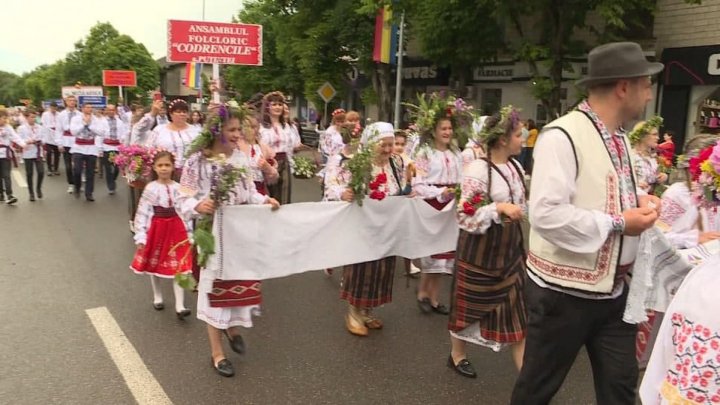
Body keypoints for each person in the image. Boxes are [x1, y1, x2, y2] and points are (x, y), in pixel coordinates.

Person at [511, 42, 663, 405]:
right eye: (645, 83)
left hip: (614, 294)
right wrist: (617, 222)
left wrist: (637, 203)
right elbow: (546, 214)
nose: (649, 92)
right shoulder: (561, 135)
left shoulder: (620, 137)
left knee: (621, 391)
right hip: (563, 294)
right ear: (623, 87)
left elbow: (601, 193)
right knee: (536, 390)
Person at [178, 104, 280, 378]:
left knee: (236, 285)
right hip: (212, 235)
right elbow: (183, 196)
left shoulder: (240, 158)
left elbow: (248, 193)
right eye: (232, 129)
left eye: (239, 129)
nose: (237, 134)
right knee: (214, 288)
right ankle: (217, 353)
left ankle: (231, 327)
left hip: (239, 234)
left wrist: (264, 199)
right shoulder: (197, 161)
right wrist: (199, 204)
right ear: (216, 130)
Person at [448, 106, 528, 378]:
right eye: (518, 134)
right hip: (480, 252)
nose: (523, 138)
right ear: (503, 139)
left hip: (510, 251)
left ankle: (529, 382)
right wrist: (498, 208)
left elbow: (523, 204)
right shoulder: (478, 170)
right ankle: (457, 355)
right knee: (465, 308)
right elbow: (464, 216)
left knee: (519, 313)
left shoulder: (516, 166)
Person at [323, 122, 406, 336]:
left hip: (386, 227)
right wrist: (343, 192)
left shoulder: (396, 163)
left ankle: (368, 310)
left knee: (381, 270)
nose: (388, 150)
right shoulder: (356, 163)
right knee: (361, 269)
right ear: (370, 144)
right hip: (361, 226)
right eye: (383, 145)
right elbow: (332, 184)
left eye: (391, 145)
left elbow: (400, 188)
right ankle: (353, 312)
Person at [410, 99, 463, 315]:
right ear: (434, 130)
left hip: (450, 206)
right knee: (431, 251)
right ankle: (423, 293)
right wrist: (440, 193)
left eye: (450, 128)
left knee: (445, 253)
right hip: (432, 205)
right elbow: (417, 183)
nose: (447, 132)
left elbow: (462, 177)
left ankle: (434, 297)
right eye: (443, 128)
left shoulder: (455, 153)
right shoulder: (424, 153)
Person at [131, 150, 193, 318]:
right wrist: (141, 235)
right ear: (154, 168)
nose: (164, 168)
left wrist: (190, 233)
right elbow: (142, 212)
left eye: (167, 165)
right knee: (154, 262)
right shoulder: (151, 188)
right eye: (160, 165)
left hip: (176, 228)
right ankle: (157, 295)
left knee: (179, 265)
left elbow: (185, 210)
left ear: (173, 167)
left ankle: (180, 305)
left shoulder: (180, 187)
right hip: (157, 228)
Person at [259, 91, 304, 204]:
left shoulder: (287, 127)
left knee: (284, 195)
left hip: (284, 162)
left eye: (280, 104)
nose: (277, 107)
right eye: (274, 104)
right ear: (267, 107)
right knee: (270, 195)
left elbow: (293, 146)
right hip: (268, 163)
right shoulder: (262, 127)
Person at [146, 99, 200, 178]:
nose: (182, 114)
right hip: (165, 173)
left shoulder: (195, 131)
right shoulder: (159, 129)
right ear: (171, 114)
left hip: (190, 174)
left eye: (184, 112)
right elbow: (149, 149)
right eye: (178, 112)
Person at [69, 103, 108, 202]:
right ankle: (77, 187)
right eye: (87, 107)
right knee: (77, 170)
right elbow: (73, 132)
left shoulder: (96, 119)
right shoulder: (76, 119)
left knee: (90, 172)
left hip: (91, 147)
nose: (89, 109)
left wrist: (90, 125)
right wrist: (84, 124)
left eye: (91, 107)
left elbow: (101, 132)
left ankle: (89, 193)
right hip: (78, 147)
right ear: (82, 108)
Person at [235, 114, 278, 195]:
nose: (249, 130)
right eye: (246, 126)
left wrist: (268, 168)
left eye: (253, 126)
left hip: (260, 192)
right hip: (240, 193)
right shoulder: (235, 146)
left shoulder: (263, 148)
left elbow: (273, 180)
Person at [630, 116, 667, 194]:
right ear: (643, 136)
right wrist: (634, 184)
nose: (658, 138)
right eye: (654, 134)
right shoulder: (631, 156)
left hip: (650, 198)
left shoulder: (653, 157)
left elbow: (654, 177)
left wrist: (662, 177)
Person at [17, 108, 45, 201]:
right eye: (31, 117)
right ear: (26, 118)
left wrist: (41, 141)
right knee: (29, 173)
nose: (33, 119)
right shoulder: (21, 128)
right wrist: (27, 141)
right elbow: (19, 140)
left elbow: (44, 138)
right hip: (28, 153)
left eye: (35, 117)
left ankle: (38, 188)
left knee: (41, 172)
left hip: (37, 152)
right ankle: (31, 193)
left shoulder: (40, 127)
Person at [101, 104, 129, 195]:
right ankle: (111, 186)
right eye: (109, 110)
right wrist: (99, 148)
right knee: (108, 168)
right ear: (106, 111)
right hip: (106, 147)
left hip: (117, 147)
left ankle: (112, 179)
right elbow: (99, 135)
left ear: (115, 111)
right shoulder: (102, 121)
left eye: (113, 110)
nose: (111, 112)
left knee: (117, 167)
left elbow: (124, 133)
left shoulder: (119, 122)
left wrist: (123, 142)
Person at [0, 107, 26, 205]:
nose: (4, 120)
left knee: (6, 175)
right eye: (3, 118)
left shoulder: (8, 127)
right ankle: (0, 194)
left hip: (5, 154)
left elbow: (15, 137)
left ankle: (10, 195)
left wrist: (23, 144)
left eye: (5, 118)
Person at [56, 95, 80, 194]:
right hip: (66, 141)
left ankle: (78, 183)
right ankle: (71, 183)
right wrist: (59, 144)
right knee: (68, 165)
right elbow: (58, 130)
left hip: (77, 141)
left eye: (74, 101)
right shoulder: (61, 115)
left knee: (78, 165)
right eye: (70, 101)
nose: (72, 102)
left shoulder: (79, 114)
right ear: (66, 102)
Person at [42, 102, 60, 176]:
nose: (54, 110)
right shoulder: (45, 114)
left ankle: (56, 169)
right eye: (52, 108)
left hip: (57, 136)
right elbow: (43, 124)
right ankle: (49, 169)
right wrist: (51, 128)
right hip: (48, 137)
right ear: (50, 107)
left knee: (57, 154)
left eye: (55, 108)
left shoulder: (59, 114)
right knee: (49, 153)